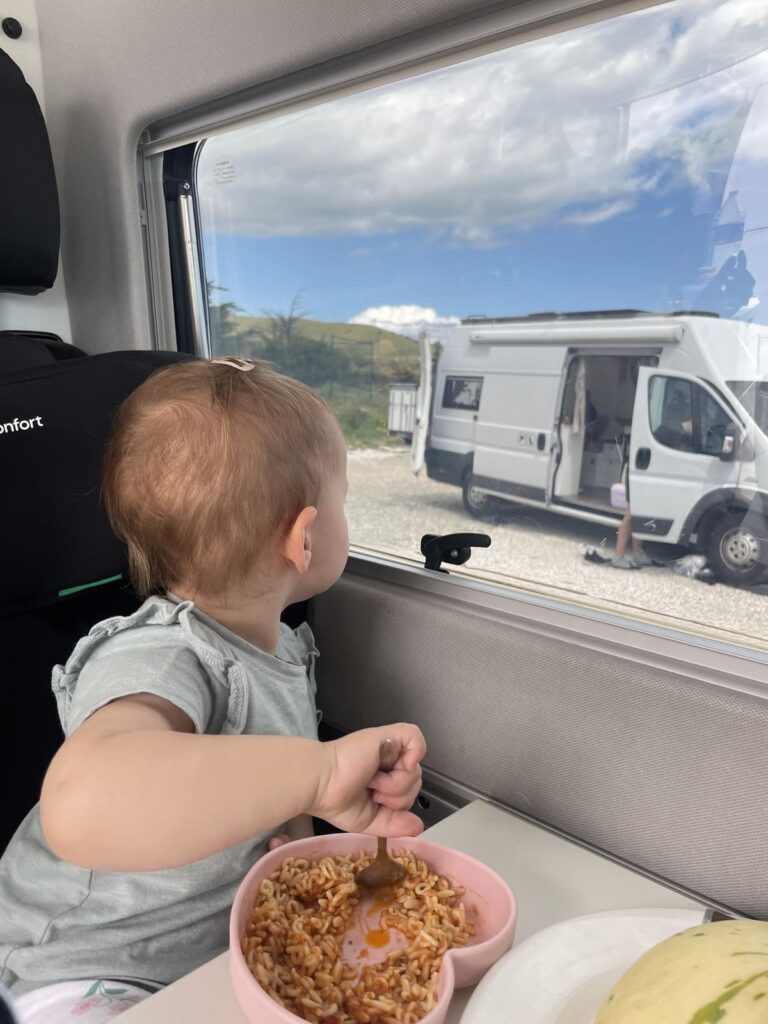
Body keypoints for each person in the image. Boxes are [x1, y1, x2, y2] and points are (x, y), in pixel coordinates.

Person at [0, 357, 426, 1023]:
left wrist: (336, 813)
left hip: (208, 954)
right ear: (305, 537)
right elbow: (82, 801)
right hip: (85, 968)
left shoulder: (281, 651)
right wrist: (318, 773)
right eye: (342, 501)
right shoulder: (163, 654)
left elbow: (269, 801)